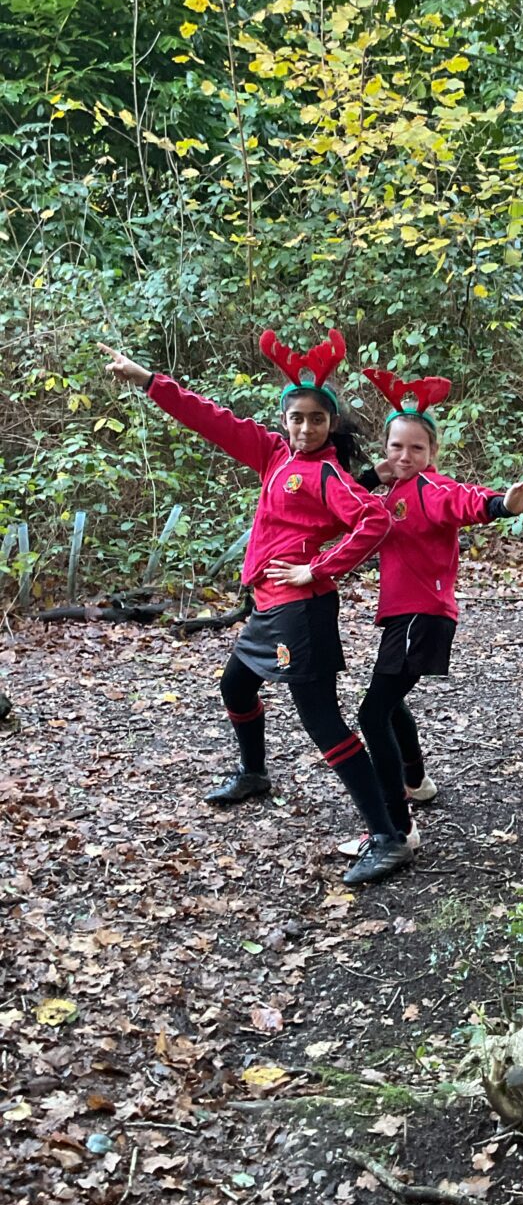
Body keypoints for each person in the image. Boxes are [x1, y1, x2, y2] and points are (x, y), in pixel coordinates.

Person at [99, 330, 413, 886]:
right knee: (236, 688)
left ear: (331, 424)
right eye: (297, 418)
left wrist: (318, 568)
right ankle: (253, 773)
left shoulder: (327, 473)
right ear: (285, 420)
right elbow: (210, 418)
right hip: (269, 609)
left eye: (318, 419)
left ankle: (387, 836)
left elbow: (374, 520)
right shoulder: (272, 454)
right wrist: (148, 380)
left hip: (301, 614)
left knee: (321, 720)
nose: (306, 428)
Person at [338, 368, 523, 857]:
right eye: (396, 447)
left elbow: (463, 501)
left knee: (372, 713)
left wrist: (503, 505)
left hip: (422, 617)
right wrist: (374, 476)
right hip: (405, 618)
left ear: (432, 453)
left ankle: (397, 825)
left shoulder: (430, 489)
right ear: (385, 449)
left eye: (416, 448)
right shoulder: (391, 491)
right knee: (390, 705)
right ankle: (417, 782)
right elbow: (344, 499)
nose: (404, 456)